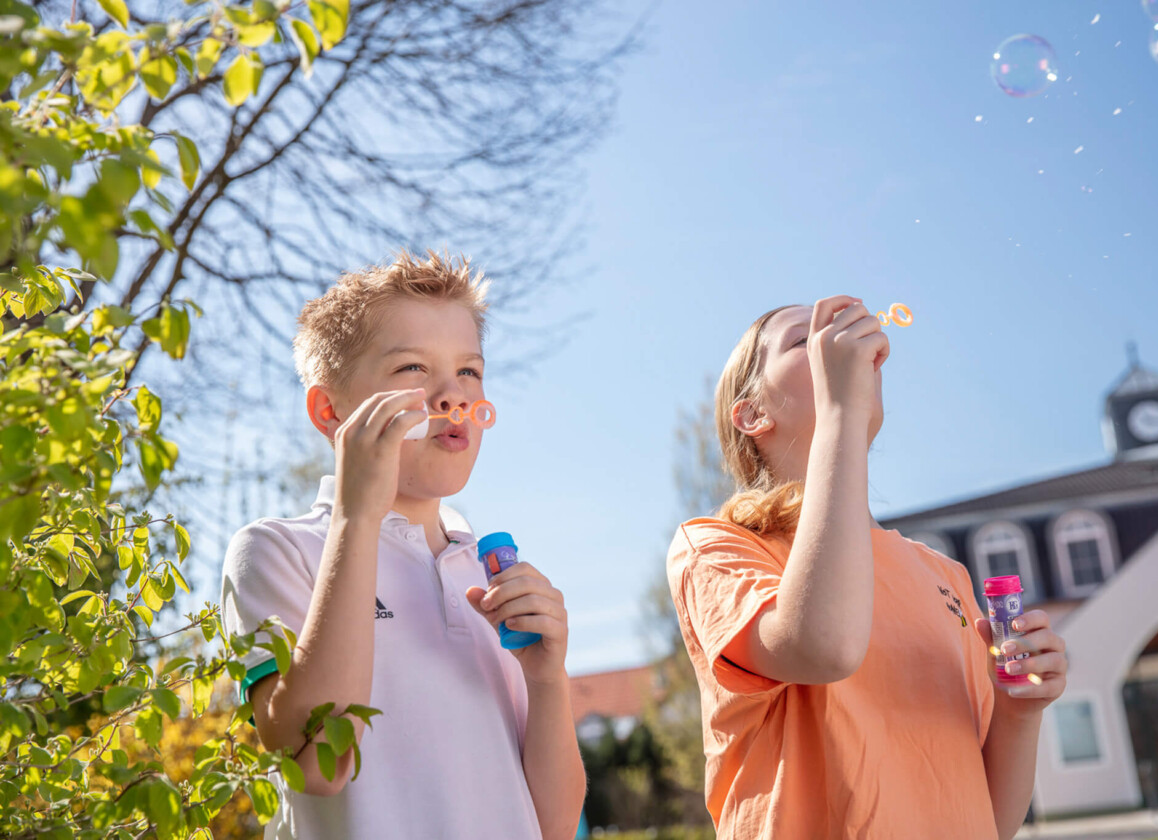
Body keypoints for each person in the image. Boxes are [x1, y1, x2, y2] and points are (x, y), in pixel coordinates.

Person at [666, 296, 1068, 839]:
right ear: (753, 413)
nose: (833, 342)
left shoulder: (945, 575)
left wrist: (1022, 708)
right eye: (803, 340)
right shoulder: (717, 549)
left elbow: (989, 820)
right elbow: (824, 646)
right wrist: (842, 413)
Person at [220, 251, 585, 839]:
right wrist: (356, 520)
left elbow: (555, 825)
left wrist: (547, 680)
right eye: (413, 368)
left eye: (469, 371)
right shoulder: (275, 551)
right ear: (329, 410)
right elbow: (318, 763)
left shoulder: (489, 570)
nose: (451, 396)